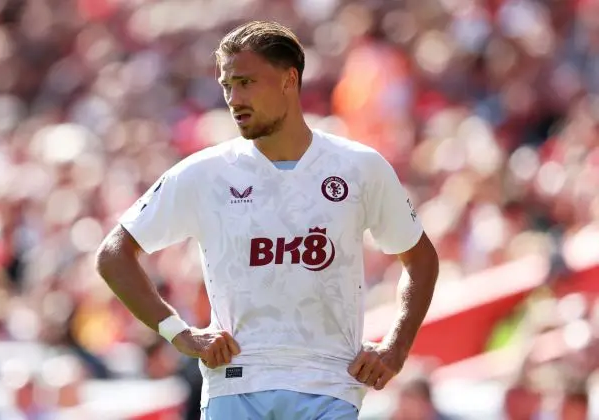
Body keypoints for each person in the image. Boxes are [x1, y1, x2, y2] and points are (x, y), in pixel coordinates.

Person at [96, 20, 439, 420]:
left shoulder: (359, 168)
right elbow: (114, 254)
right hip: (237, 382)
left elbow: (420, 259)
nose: (233, 98)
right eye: (227, 85)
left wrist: (396, 348)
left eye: (246, 83)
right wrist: (179, 332)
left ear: (288, 80)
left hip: (328, 382)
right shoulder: (205, 172)